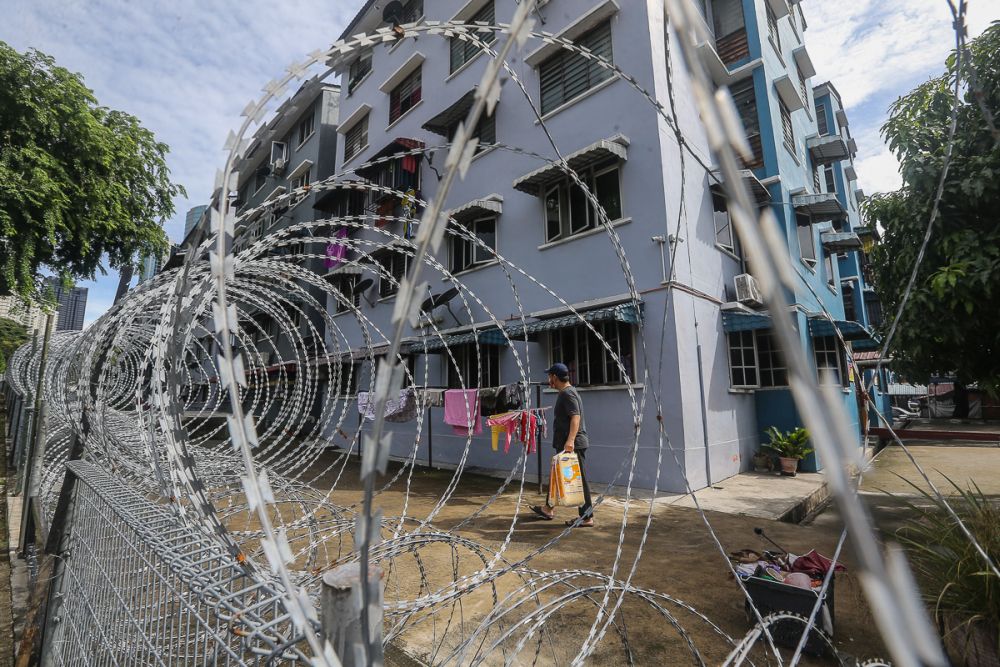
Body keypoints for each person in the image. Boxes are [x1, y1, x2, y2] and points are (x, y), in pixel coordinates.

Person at [530, 363, 594, 527]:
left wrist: (570, 441)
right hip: (567, 444)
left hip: (573, 445)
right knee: (556, 476)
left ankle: (586, 517)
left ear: (555, 377)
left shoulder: (568, 394)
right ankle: (548, 508)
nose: (548, 379)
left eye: (549, 376)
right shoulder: (566, 393)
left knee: (579, 481)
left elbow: (575, 418)